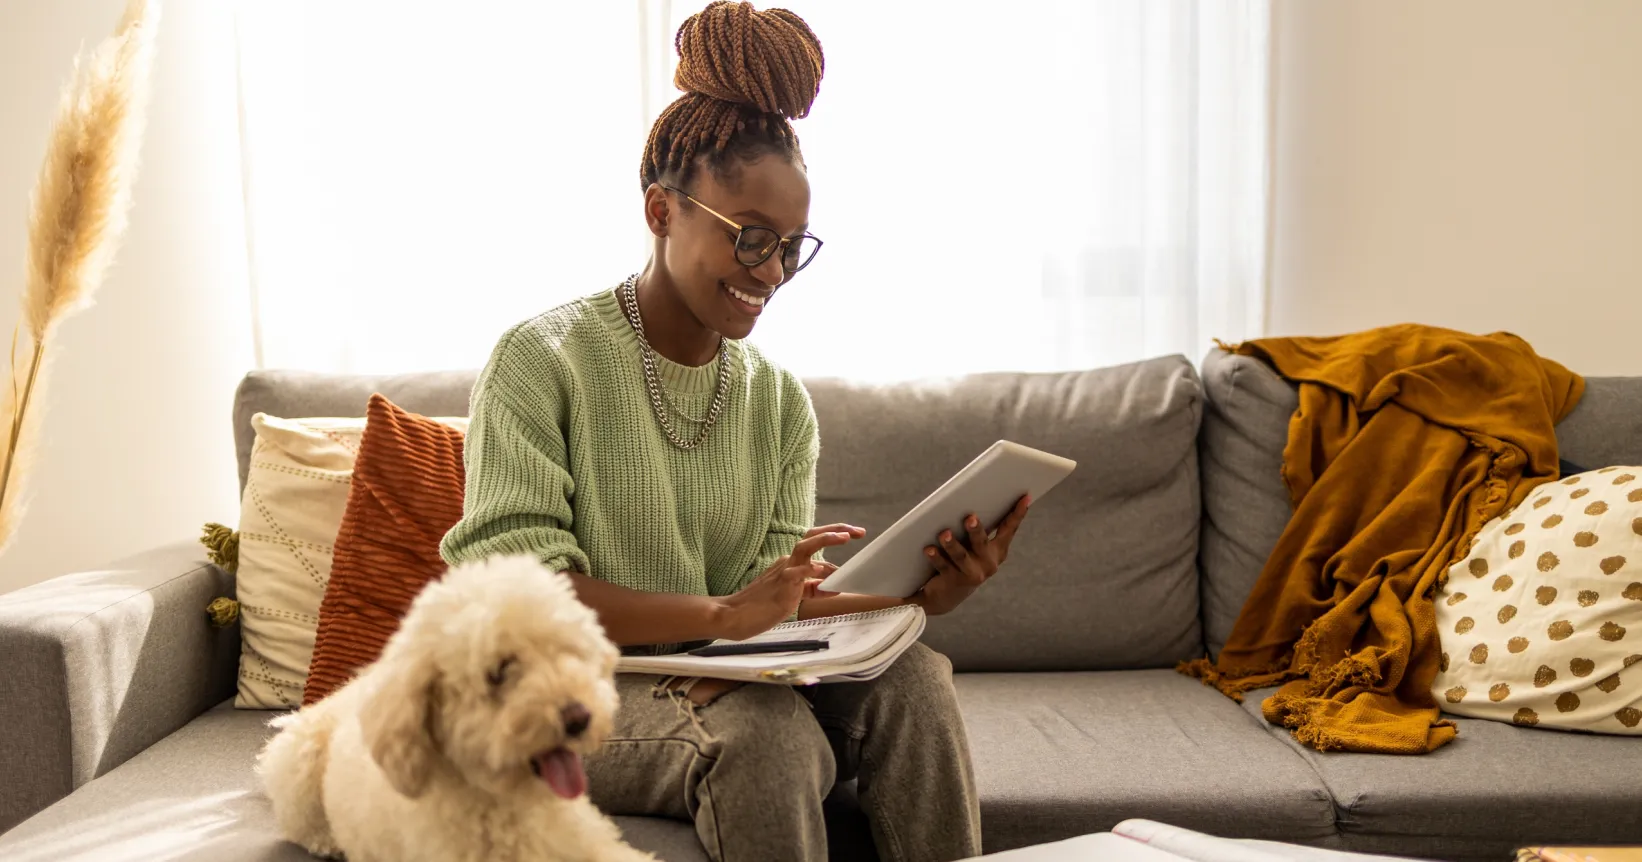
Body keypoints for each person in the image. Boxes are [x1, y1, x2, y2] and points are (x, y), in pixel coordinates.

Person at [440, 3, 1031, 860]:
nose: (772, 272)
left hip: (715, 668)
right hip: (560, 689)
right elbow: (515, 599)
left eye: (791, 247)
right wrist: (721, 615)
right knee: (767, 735)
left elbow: (773, 602)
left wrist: (924, 594)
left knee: (914, 678)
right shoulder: (543, 360)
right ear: (661, 210)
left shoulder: (777, 400)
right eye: (751, 238)